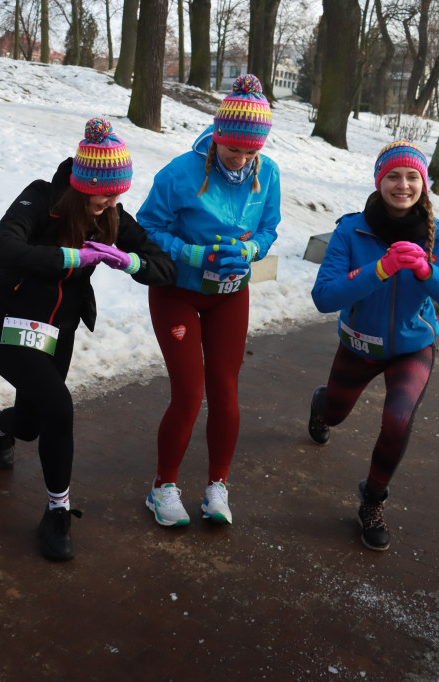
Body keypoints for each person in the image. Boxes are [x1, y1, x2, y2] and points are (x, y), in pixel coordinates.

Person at [0, 117, 177, 561]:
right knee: (59, 407)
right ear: (81, 185)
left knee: (31, 424)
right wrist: (71, 255)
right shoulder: (40, 198)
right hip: (8, 324)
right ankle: (57, 511)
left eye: (118, 193)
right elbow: (0, 249)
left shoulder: (113, 216)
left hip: (56, 334)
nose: (112, 202)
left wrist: (128, 262)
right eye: (105, 193)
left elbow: (165, 267)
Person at [308, 139, 439, 551]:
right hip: (358, 345)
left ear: (423, 184)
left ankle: (372, 499)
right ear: (379, 180)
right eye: (393, 176)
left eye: (411, 177)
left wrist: (427, 271)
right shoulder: (351, 230)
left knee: (398, 419)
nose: (402, 185)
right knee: (335, 413)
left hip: (412, 347)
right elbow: (324, 297)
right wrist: (380, 269)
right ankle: (321, 407)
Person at [135, 74, 280, 528]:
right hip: (177, 291)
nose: (240, 161)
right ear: (216, 137)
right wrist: (190, 253)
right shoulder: (179, 172)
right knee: (189, 393)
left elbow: (269, 228)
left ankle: (218, 484)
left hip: (230, 294)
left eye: (250, 153)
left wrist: (253, 250)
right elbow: (145, 229)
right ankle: (163, 488)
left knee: (225, 391)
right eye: (232, 149)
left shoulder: (268, 172)